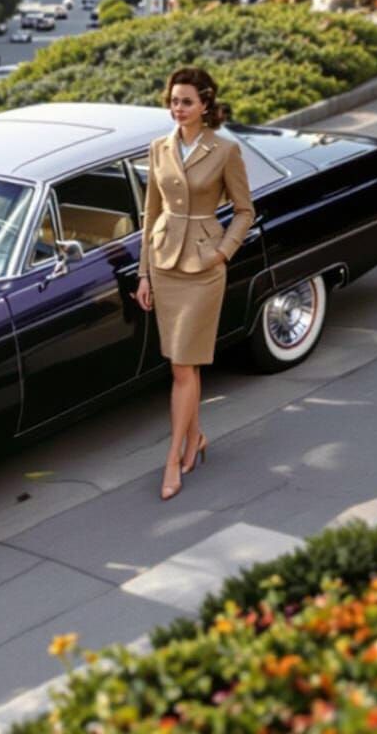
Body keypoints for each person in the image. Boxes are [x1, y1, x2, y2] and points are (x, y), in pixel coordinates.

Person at [135, 67, 255, 501]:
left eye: (186, 101)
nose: (177, 108)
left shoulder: (226, 151)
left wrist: (223, 251)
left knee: (184, 365)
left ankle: (171, 459)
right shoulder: (157, 148)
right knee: (182, 366)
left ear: (205, 104)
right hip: (165, 265)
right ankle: (195, 438)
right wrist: (144, 273)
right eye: (173, 101)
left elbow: (245, 210)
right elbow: (149, 215)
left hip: (204, 270)